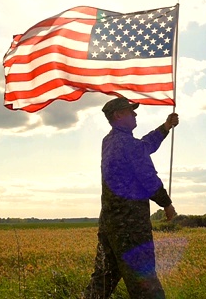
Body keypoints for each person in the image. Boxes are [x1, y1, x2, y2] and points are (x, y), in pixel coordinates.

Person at [84, 97, 179, 299]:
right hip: (131, 228)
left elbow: (143, 146)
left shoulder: (109, 141)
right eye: (130, 111)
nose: (135, 114)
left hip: (110, 225)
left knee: (103, 279)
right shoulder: (126, 144)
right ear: (118, 115)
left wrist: (165, 127)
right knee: (145, 284)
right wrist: (167, 204)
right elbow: (148, 178)